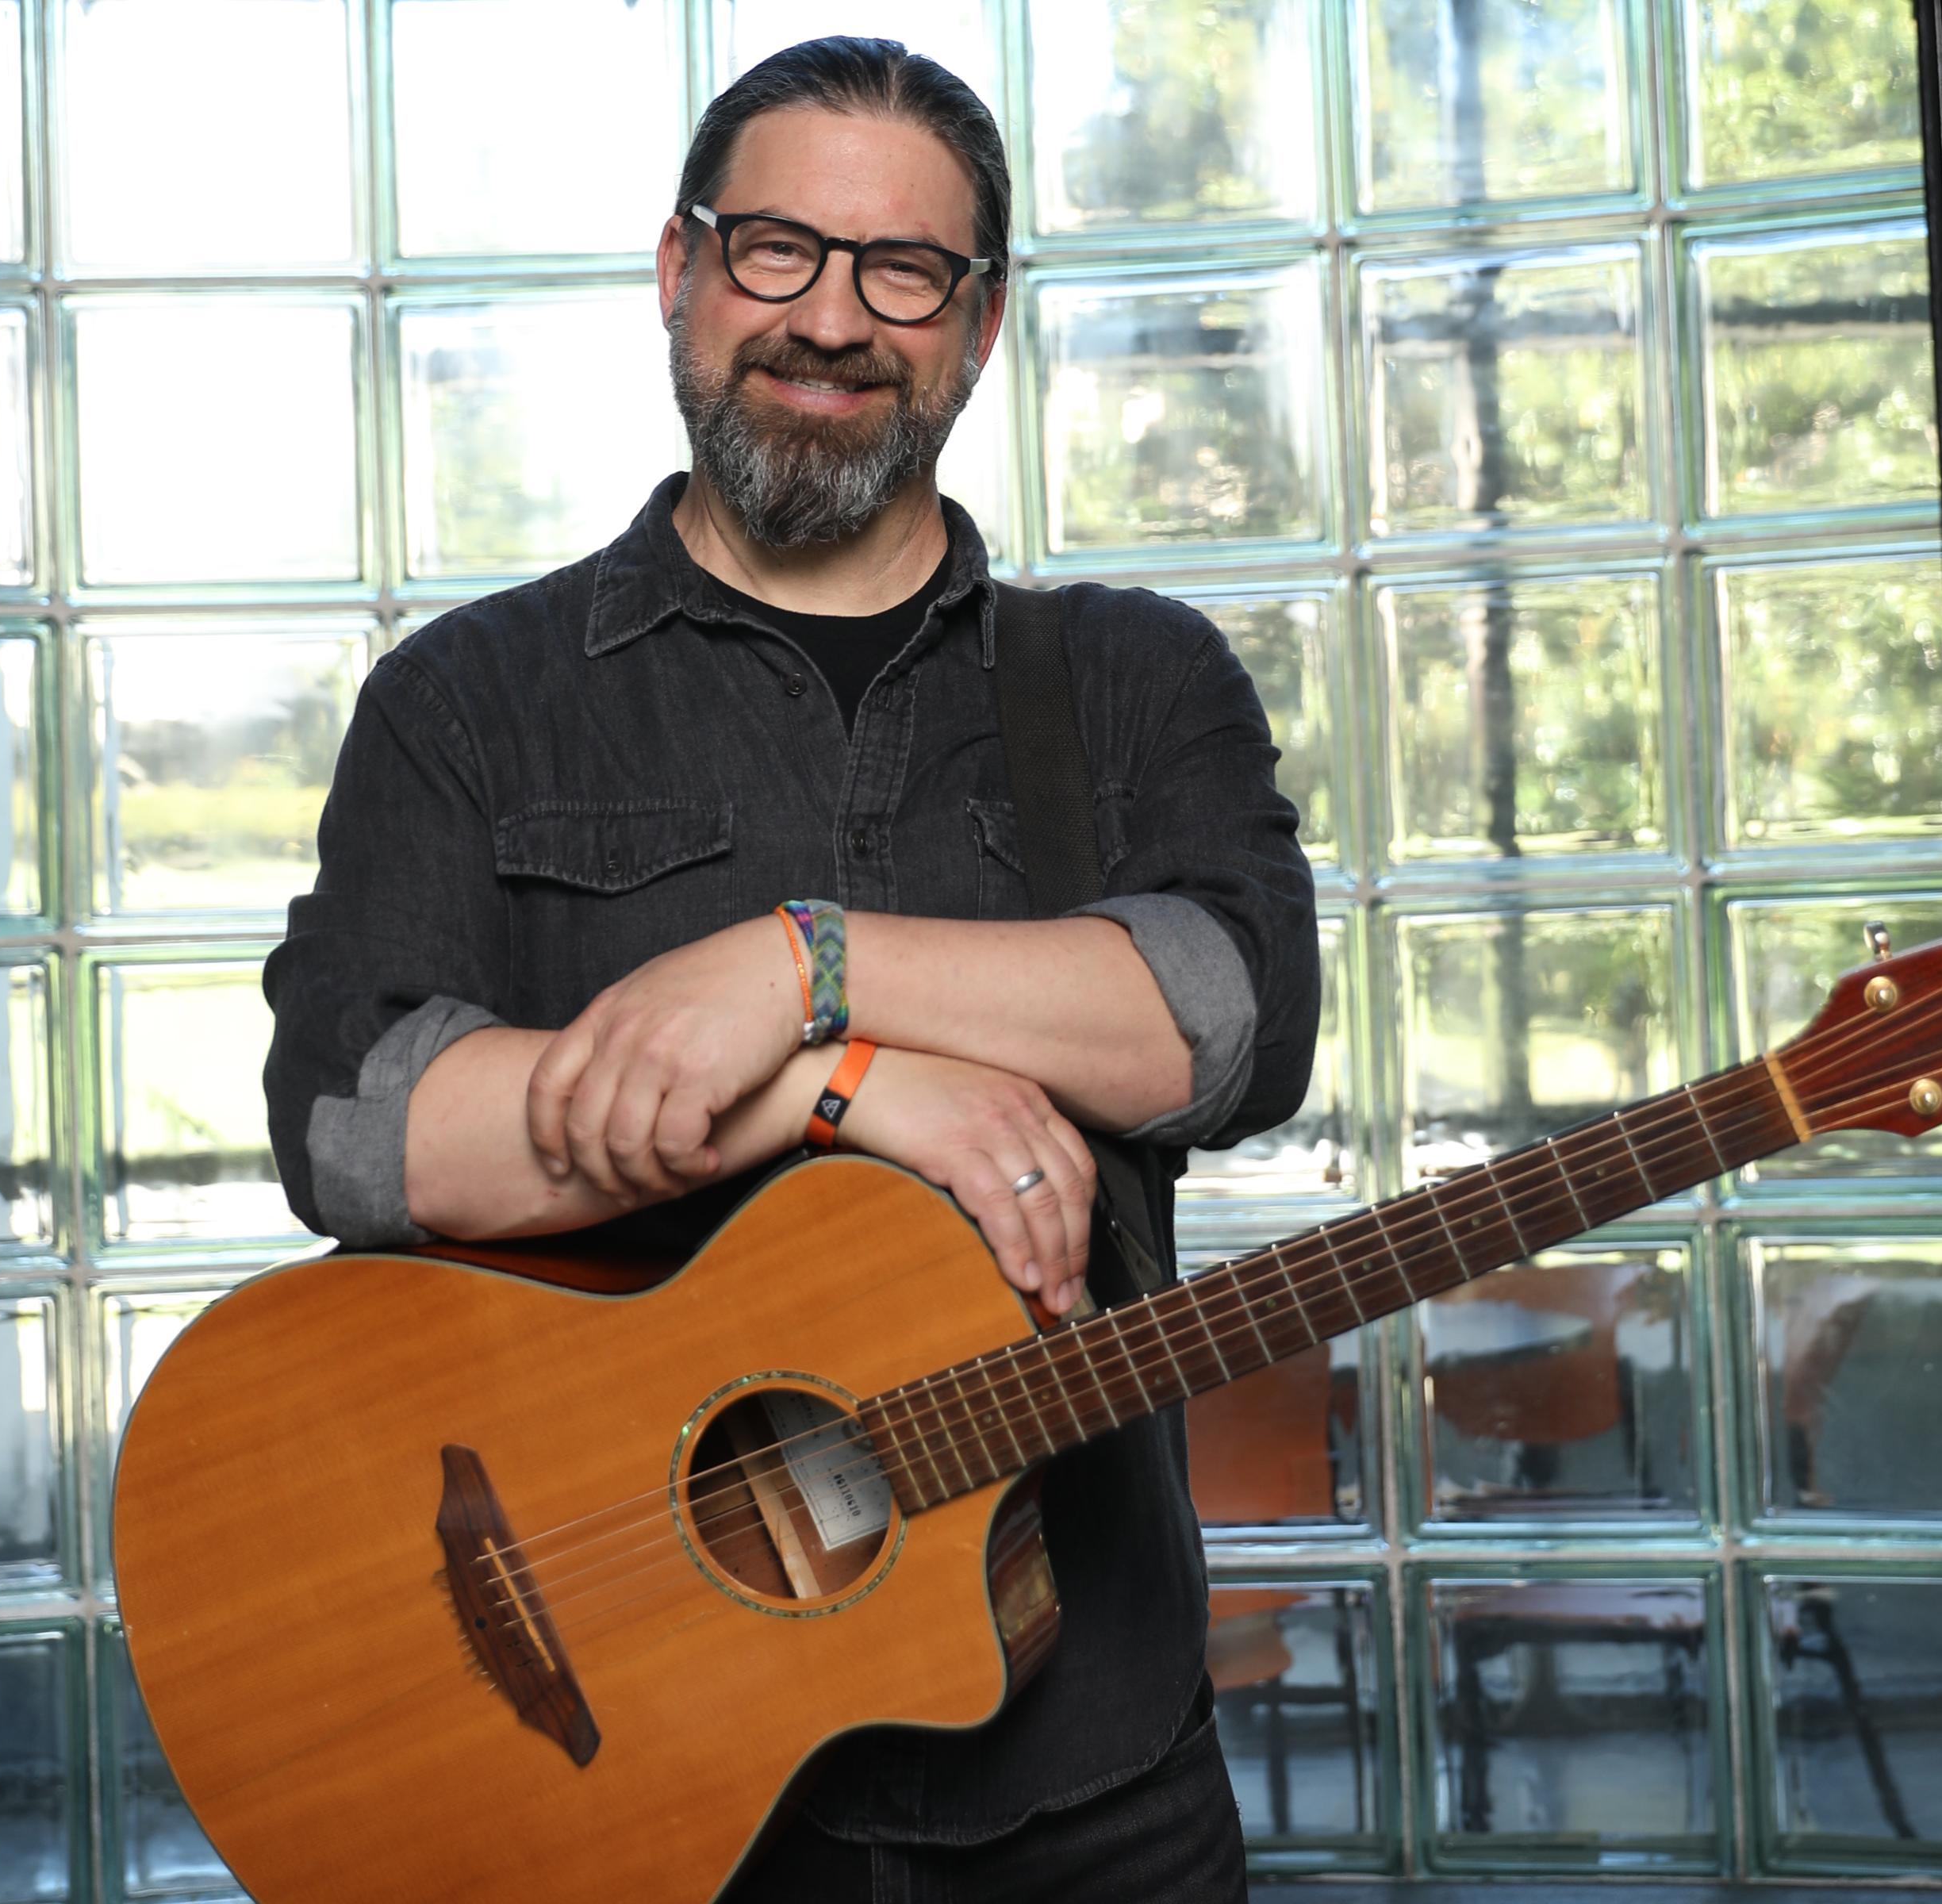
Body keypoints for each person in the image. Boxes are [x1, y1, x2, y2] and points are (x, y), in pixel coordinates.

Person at [261, 36, 1319, 1902]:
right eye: (775, 251)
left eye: (902, 272)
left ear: (976, 327)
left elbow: (1225, 1020)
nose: (832, 318)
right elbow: (369, 1134)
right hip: (646, 1773)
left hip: (1099, 1782)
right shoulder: (470, 705)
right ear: (679, 272)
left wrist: (801, 963)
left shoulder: (1136, 678)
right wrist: (837, 1078)